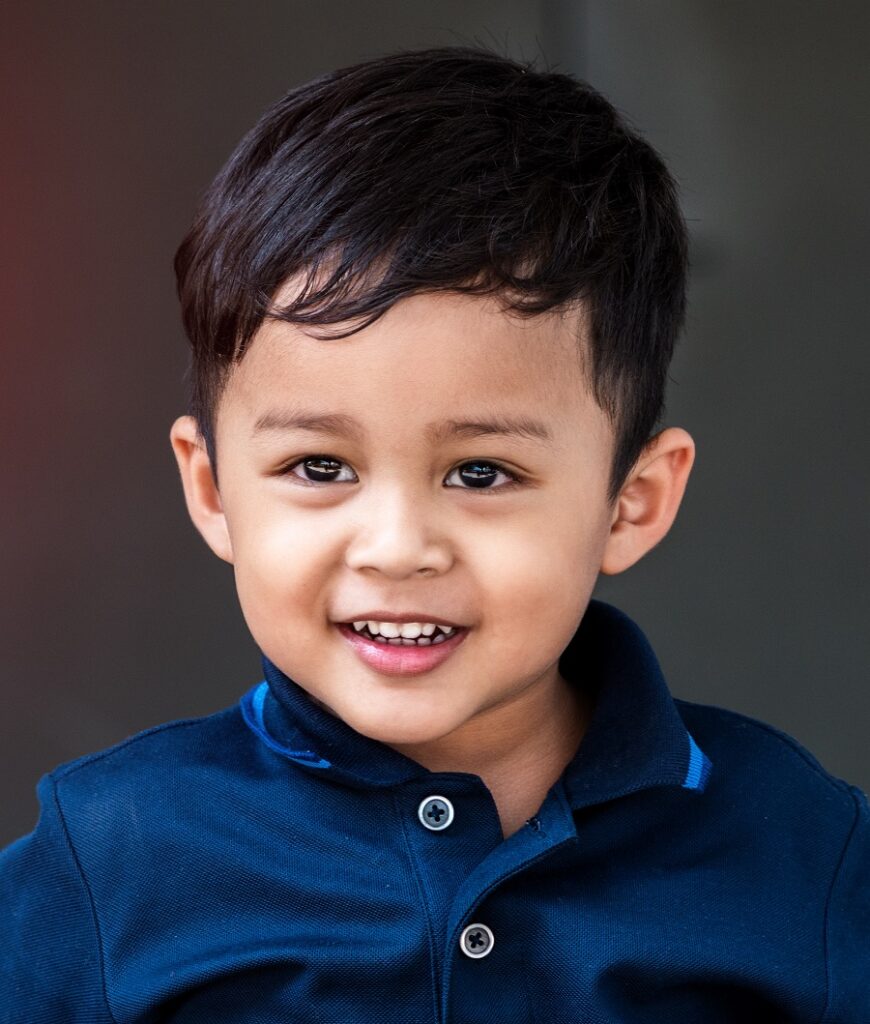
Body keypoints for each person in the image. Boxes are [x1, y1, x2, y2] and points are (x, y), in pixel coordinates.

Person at [1, 44, 866, 1023]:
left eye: (481, 472)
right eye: (320, 468)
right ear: (212, 489)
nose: (399, 545)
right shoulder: (108, 858)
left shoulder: (798, 848)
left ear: (633, 500)